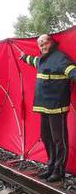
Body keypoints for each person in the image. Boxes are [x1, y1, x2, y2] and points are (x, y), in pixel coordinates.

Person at [20, 34, 76, 182]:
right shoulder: (42, 59)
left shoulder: (61, 58)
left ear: (51, 42)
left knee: (59, 140)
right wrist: (24, 56)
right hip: (43, 105)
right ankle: (50, 167)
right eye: (40, 45)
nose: (42, 46)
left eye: (44, 43)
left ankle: (59, 171)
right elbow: (34, 61)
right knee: (46, 137)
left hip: (57, 106)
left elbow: (73, 73)